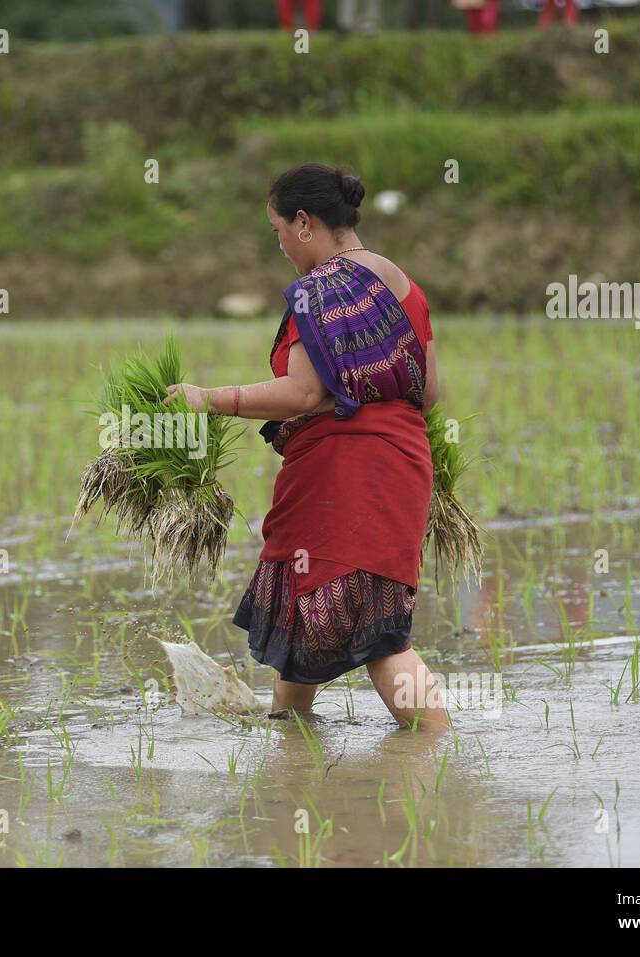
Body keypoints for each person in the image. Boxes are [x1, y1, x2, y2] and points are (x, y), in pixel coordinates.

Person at [163, 164, 450, 732]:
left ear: (303, 222)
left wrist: (205, 398)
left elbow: (302, 391)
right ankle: (288, 737)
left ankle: (435, 745)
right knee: (305, 608)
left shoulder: (323, 290)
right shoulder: (403, 285)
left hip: (348, 473)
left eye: (277, 231)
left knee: (379, 634)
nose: (279, 246)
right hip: (400, 465)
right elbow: (431, 391)